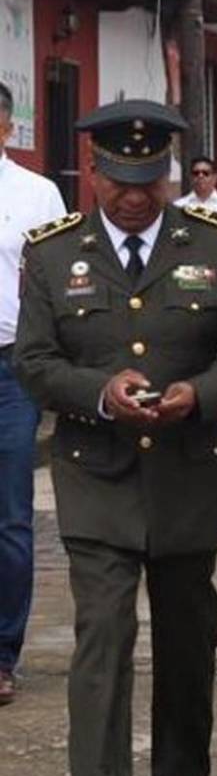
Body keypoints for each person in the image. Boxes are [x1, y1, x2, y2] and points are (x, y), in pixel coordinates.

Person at [13, 99, 217, 776]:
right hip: (96, 478)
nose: (135, 197)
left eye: (149, 181)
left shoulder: (216, 244)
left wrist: (199, 393)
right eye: (120, 181)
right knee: (101, 647)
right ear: (93, 172)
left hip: (190, 475)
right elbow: (34, 362)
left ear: (167, 175)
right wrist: (99, 392)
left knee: (188, 646)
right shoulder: (53, 252)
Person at [0, 80, 66, 707]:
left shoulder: (36, 194)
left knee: (11, 517)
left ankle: (3, 654)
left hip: (10, 369)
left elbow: (57, 282)